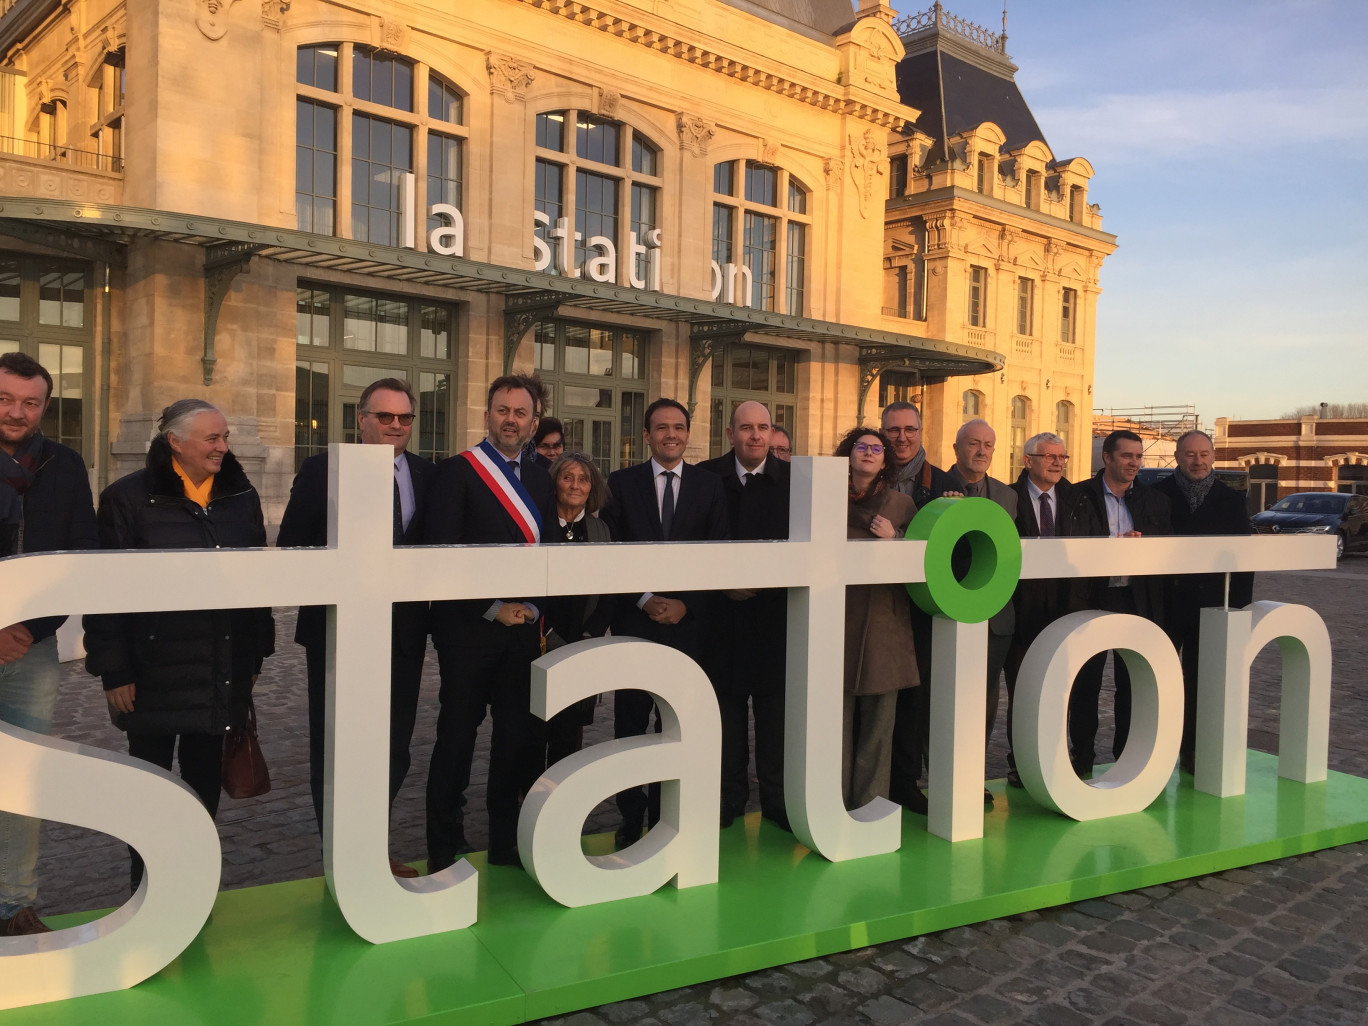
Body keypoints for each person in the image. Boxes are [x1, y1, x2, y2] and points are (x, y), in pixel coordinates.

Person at [84, 399, 275, 890]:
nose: (223, 447)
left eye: (225, 437)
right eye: (212, 438)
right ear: (174, 441)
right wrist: (114, 671)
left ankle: (192, 888)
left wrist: (256, 652)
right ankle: (146, 888)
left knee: (203, 783)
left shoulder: (241, 494)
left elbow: (259, 582)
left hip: (222, 667)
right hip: (151, 674)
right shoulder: (126, 498)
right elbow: (105, 590)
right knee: (149, 788)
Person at [276, 377, 435, 878]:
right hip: (338, 633)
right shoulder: (322, 469)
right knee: (337, 744)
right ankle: (340, 855)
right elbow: (293, 547)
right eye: (384, 417)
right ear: (360, 419)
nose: (394, 426)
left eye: (404, 418)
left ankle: (372, 845)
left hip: (403, 635)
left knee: (394, 746)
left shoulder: (428, 476)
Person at [422, 374, 552, 870]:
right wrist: (491, 607)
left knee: (514, 741)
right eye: (502, 410)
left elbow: (551, 557)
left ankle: (504, 840)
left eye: (520, 412)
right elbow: (442, 553)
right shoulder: (457, 473)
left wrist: (535, 609)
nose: (511, 420)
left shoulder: (544, 477)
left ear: (533, 421)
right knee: (456, 737)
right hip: (468, 632)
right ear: (486, 416)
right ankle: (444, 843)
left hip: (523, 633)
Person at [0, 352, 98, 936]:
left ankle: (13, 903)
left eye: (30, 402)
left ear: (44, 405)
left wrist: (27, 631)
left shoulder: (64, 464)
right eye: (6, 399)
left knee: (22, 778)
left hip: (29, 650)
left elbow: (77, 554)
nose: (16, 412)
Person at [602, 397, 728, 848]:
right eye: (661, 427)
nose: (670, 434)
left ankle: (668, 816)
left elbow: (718, 552)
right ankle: (630, 818)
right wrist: (644, 598)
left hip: (690, 628)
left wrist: (686, 604)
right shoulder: (620, 483)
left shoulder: (710, 486)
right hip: (637, 623)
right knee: (631, 726)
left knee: (677, 727)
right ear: (647, 436)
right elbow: (610, 550)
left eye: (678, 427)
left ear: (688, 434)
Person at [698, 401, 791, 831]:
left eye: (763, 428)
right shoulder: (705, 477)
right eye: (747, 427)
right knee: (725, 718)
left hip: (774, 621)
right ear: (731, 432)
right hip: (721, 621)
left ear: (772, 434)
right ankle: (728, 797)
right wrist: (721, 584)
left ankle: (776, 799)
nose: (756, 436)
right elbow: (693, 544)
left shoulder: (795, 482)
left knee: (775, 721)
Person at [1059, 429, 1171, 776]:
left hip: (1135, 599)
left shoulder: (1156, 502)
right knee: (1085, 683)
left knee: (1131, 682)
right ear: (1107, 458)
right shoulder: (1076, 496)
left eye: (1138, 457)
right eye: (1127, 456)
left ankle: (1126, 757)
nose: (1134, 463)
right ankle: (1082, 758)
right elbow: (1067, 547)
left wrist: (1144, 544)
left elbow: (1165, 552)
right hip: (1091, 596)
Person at [1154, 429, 1253, 773]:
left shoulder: (1231, 499)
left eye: (1204, 454)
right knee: (1159, 679)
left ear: (1213, 457)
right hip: (1166, 603)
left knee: (1201, 682)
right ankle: (1155, 751)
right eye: (1190, 455)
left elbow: (1242, 559)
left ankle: (1193, 750)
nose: (1198, 461)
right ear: (1178, 458)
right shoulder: (1157, 495)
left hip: (1210, 605)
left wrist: (1239, 607)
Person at [835, 427, 919, 808]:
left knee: (878, 725)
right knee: (834, 719)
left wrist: (895, 540)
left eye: (876, 448)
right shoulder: (824, 500)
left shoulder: (901, 504)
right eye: (861, 447)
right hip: (834, 618)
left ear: (886, 459)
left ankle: (870, 804)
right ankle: (831, 802)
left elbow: (919, 564)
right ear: (847, 454)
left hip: (884, 624)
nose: (868, 453)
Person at [882, 402, 954, 815]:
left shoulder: (945, 484)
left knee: (914, 697)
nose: (902, 438)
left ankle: (905, 782)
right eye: (893, 430)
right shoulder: (864, 477)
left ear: (922, 432)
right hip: (874, 605)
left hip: (920, 608)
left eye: (910, 429)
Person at [944, 419, 1018, 801]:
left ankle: (973, 778)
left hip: (995, 618)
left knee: (985, 700)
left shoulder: (1007, 497)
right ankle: (945, 778)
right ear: (956, 448)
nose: (982, 451)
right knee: (941, 699)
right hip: (945, 612)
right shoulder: (935, 488)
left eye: (989, 444)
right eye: (974, 443)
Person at [537, 450, 613, 769]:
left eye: (583, 479)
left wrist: (590, 635)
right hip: (539, 641)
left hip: (582, 642)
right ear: (555, 482)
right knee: (532, 729)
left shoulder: (600, 531)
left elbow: (608, 592)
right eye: (567, 477)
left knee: (569, 733)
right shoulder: (538, 526)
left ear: (592, 487)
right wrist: (549, 635)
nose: (575, 485)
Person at [1005, 431, 1072, 787]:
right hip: (1020, 613)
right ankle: (1021, 763)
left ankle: (1055, 757)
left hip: (1063, 611)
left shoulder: (1077, 498)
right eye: (1050, 457)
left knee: (1060, 689)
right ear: (1028, 459)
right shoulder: (1007, 498)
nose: (1058, 463)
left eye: (1062, 457)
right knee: (1023, 690)